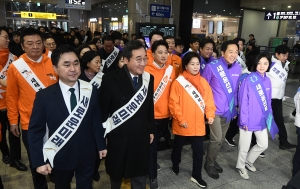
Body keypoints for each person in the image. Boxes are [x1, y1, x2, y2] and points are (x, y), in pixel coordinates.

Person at [27, 45, 107, 189]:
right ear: (55, 69)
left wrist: (101, 145)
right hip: (60, 156)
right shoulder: (44, 97)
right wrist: (39, 161)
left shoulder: (90, 90)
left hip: (87, 153)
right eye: (66, 64)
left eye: (76, 63)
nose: (73, 69)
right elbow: (35, 132)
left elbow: (96, 120)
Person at [6, 28, 58, 189]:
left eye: (38, 43)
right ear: (22, 46)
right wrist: (13, 121)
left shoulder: (54, 61)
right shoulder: (15, 67)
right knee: (37, 163)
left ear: (43, 44)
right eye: (30, 43)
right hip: (31, 125)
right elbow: (12, 96)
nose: (35, 46)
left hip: (56, 122)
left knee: (57, 159)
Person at [99, 40, 154, 189]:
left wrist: (150, 130)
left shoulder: (149, 78)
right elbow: (103, 111)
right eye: (138, 59)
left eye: (145, 58)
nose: (143, 63)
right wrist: (102, 137)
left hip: (140, 136)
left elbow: (150, 107)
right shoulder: (110, 78)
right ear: (126, 59)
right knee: (116, 174)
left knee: (139, 175)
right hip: (118, 137)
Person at [169, 52, 216, 188]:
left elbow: (209, 101)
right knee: (178, 147)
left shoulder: (203, 82)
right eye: (192, 64)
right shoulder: (179, 82)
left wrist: (210, 115)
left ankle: (197, 175)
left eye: (197, 64)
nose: (196, 67)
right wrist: (181, 119)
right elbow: (173, 103)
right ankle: (175, 163)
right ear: (186, 65)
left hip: (198, 125)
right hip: (183, 123)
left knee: (198, 150)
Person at [202, 40, 241, 179]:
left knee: (222, 138)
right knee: (216, 138)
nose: (234, 55)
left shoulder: (238, 67)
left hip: (228, 110)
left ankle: (212, 158)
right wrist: (205, 110)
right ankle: (209, 164)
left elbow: (236, 90)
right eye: (231, 51)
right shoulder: (212, 67)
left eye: (236, 52)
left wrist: (235, 107)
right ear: (222, 52)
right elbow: (203, 88)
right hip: (214, 110)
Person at [236, 53, 278, 180]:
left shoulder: (268, 80)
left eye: (265, 63)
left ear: (269, 65)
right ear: (255, 64)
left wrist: (269, 117)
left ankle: (249, 161)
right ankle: (240, 166)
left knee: (263, 144)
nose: (262, 66)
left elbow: (268, 101)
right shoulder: (248, 79)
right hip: (248, 120)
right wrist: (244, 121)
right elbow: (243, 102)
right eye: (259, 63)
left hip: (261, 119)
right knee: (244, 146)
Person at [144, 40, 176, 189]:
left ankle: (148, 166)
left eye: (166, 52)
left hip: (165, 116)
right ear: (153, 53)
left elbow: (173, 93)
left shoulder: (171, 70)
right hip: (150, 117)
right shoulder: (146, 70)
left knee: (153, 146)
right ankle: (152, 177)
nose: (164, 55)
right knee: (151, 146)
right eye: (160, 52)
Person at [0, 26, 26, 172]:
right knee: (1, 133)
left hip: (12, 103)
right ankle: (5, 153)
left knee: (14, 131)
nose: (8, 39)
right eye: (5, 36)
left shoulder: (14, 58)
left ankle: (15, 158)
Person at [266, 45, 296, 150]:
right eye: (283, 55)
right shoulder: (269, 64)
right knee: (261, 119)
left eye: (287, 55)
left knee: (279, 119)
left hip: (278, 98)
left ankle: (283, 141)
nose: (285, 57)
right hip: (268, 97)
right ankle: (254, 142)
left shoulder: (285, 65)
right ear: (277, 54)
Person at [225, 37, 250, 147]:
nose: (239, 47)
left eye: (241, 46)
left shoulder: (241, 57)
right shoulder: (229, 60)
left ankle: (229, 134)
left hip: (239, 88)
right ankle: (228, 135)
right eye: (237, 45)